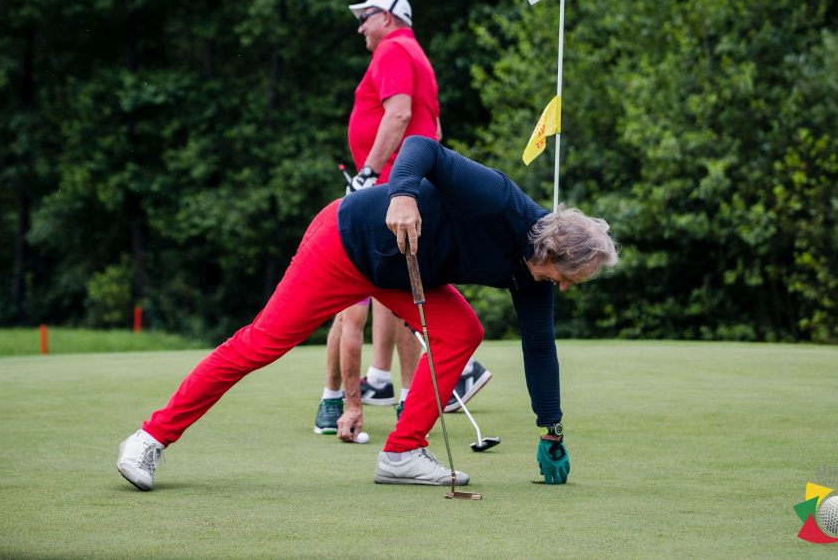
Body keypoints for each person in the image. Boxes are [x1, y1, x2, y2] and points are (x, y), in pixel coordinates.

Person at [116, 135, 619, 490]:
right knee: (261, 343)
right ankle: (150, 438)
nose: (565, 288)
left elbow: (540, 349)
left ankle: (401, 453)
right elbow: (424, 146)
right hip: (344, 243)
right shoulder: (499, 200)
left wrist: (550, 429)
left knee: (461, 330)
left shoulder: (531, 278)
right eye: (568, 278)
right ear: (552, 253)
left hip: (398, 273)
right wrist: (402, 192)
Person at [314, 0, 490, 437]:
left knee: (364, 295)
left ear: (389, 18)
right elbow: (434, 126)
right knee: (397, 290)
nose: (360, 27)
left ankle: (344, 401)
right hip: (411, 189)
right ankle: (409, 392)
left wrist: (369, 173)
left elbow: (399, 115)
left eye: (366, 17)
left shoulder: (393, 49)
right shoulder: (416, 55)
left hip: (395, 191)